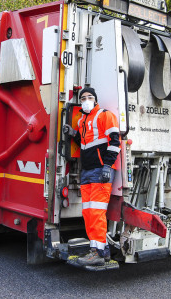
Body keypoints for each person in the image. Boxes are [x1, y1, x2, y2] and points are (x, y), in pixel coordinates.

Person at [64, 87, 120, 267]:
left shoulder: (105, 115)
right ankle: (97, 250)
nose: (86, 100)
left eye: (90, 97)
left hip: (100, 171)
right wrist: (73, 134)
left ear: (95, 100)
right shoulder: (82, 120)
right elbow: (85, 142)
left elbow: (114, 142)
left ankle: (98, 252)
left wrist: (107, 166)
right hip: (87, 171)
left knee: (96, 213)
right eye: (83, 98)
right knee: (88, 213)